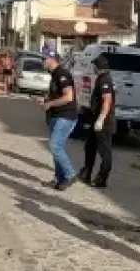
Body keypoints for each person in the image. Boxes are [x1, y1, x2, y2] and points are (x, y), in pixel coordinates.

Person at [41, 54, 78, 191]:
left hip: (66, 116)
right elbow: (57, 95)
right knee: (57, 148)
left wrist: (50, 103)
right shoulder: (54, 75)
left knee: (54, 146)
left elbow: (68, 97)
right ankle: (59, 178)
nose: (42, 63)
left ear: (51, 60)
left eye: (43, 59)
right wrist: (47, 100)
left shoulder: (63, 74)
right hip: (56, 115)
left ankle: (70, 174)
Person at [79, 56, 115, 188]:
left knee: (104, 151)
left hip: (104, 122)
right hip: (96, 119)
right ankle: (86, 173)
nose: (93, 68)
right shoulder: (102, 78)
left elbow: (107, 101)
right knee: (90, 147)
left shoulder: (105, 80)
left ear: (98, 67)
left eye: (95, 66)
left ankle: (102, 178)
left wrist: (101, 119)